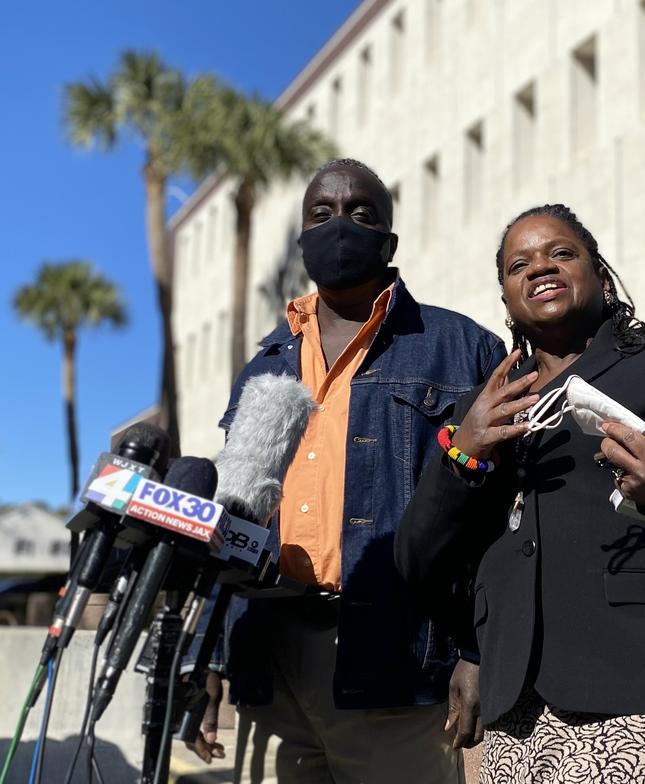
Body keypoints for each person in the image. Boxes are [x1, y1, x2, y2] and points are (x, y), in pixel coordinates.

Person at [395, 204, 645, 783]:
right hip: (516, 707)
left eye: (561, 253)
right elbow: (418, 557)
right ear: (506, 301)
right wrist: (465, 452)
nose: (539, 269)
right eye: (518, 265)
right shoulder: (479, 412)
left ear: (601, 277)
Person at [189, 159, 505, 783]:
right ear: (304, 239)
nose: (340, 226)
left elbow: (493, 517)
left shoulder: (461, 347)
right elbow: (233, 521)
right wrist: (211, 656)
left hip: (398, 654)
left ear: (389, 242)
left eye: (361, 213)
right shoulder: (265, 367)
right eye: (321, 214)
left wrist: (475, 651)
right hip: (273, 658)